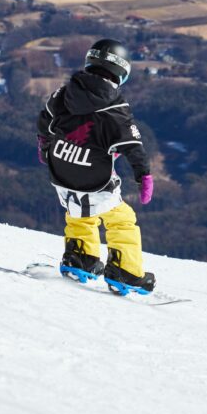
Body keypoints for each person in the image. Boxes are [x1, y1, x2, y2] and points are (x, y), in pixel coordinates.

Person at [36, 38, 156, 294]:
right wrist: (143, 175)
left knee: (80, 211)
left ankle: (81, 258)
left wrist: (44, 145)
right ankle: (126, 271)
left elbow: (45, 118)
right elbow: (133, 146)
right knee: (122, 220)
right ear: (122, 72)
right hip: (93, 175)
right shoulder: (115, 108)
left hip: (61, 170)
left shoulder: (64, 92)